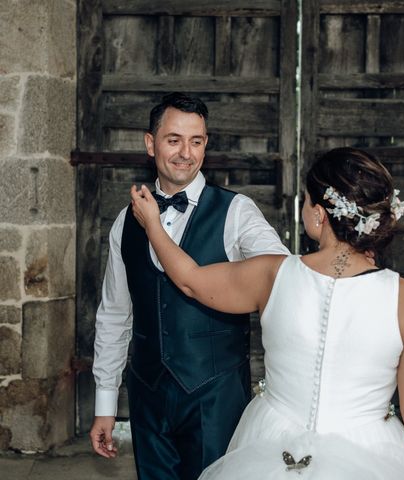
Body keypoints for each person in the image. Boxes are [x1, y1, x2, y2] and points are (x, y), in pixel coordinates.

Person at [130, 147, 404, 480]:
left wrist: (153, 226)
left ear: (318, 214)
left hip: (273, 445)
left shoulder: (272, 275)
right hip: (372, 453)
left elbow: (191, 281)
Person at [89, 92, 289, 480]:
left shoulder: (236, 211)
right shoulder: (124, 222)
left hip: (216, 396)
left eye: (196, 141)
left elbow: (280, 276)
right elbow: (114, 313)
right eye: (173, 140)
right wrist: (105, 404)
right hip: (148, 395)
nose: (185, 153)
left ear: (206, 145)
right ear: (151, 144)